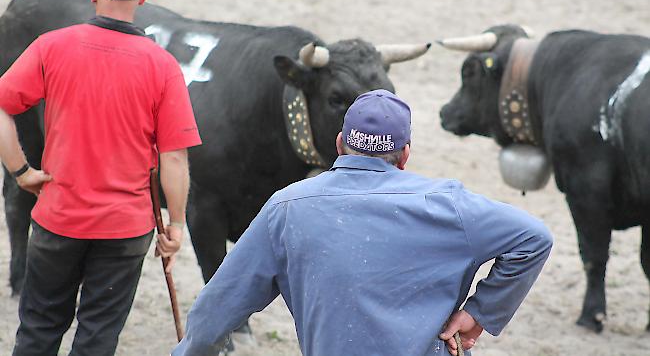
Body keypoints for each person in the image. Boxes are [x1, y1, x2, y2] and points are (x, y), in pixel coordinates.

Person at [171, 89, 553, 356]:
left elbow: (217, 307)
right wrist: (480, 312)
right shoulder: (449, 205)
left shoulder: (288, 208)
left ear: (339, 144)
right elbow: (534, 239)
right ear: (404, 155)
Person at [0, 0, 202, 356]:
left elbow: (2, 106)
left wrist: (21, 172)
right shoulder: (163, 67)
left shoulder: (51, 46)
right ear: (142, 0)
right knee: (97, 338)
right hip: (125, 230)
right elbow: (175, 157)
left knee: (38, 329)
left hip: (59, 217)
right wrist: (176, 224)